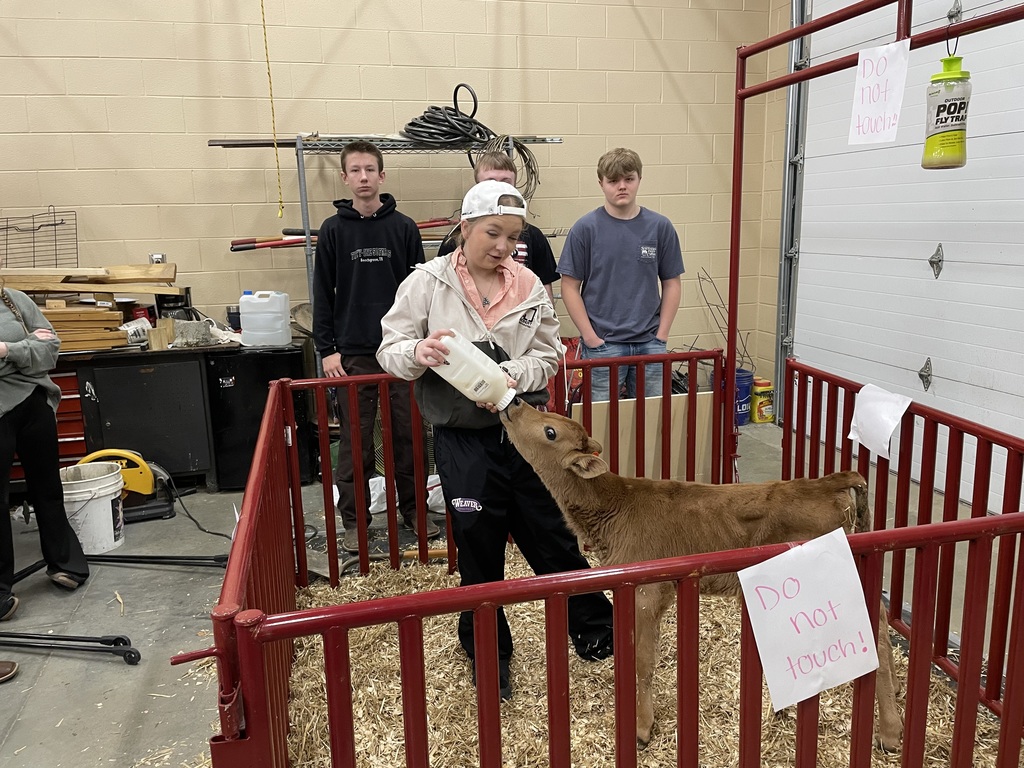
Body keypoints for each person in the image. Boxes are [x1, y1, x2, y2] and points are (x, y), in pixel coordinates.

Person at [377, 180, 614, 701]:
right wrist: (417, 353)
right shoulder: (426, 283)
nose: (503, 246)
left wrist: (512, 374)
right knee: (479, 548)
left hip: (525, 435)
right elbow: (388, 349)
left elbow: (549, 355)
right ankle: (488, 654)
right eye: (492, 232)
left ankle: (597, 631)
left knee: (552, 536)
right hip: (464, 439)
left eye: (512, 236)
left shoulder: (528, 284)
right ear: (464, 228)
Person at [312, 140, 439, 554]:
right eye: (356, 170)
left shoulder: (403, 228)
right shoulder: (333, 230)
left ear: (382, 176)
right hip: (352, 354)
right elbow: (322, 293)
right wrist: (327, 349)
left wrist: (420, 343)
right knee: (356, 442)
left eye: (370, 169)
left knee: (409, 436)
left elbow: (422, 291)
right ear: (345, 178)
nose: (363, 177)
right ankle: (355, 522)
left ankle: (415, 513)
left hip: (401, 350)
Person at [558, 147, 684, 401]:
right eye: (613, 180)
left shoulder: (660, 227)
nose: (622, 186)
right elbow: (569, 287)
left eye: (629, 179)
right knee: (601, 418)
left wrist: (661, 336)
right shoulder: (584, 229)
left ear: (639, 179)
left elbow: (672, 282)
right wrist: (590, 338)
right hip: (603, 345)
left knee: (651, 416)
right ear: (601, 184)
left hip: (650, 343)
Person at [1, 286, 90, 623]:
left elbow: (50, 349)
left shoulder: (13, 299)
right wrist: (26, 353)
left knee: (48, 489)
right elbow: (36, 352)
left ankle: (65, 563)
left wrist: (6, 350)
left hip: (32, 402)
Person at [436, 151, 559, 304]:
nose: (502, 247)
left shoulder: (533, 236)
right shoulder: (454, 240)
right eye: (492, 233)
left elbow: (545, 292)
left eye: (506, 182)